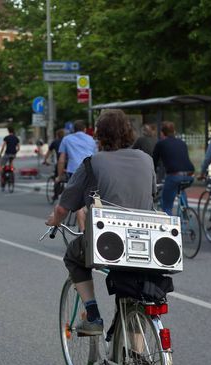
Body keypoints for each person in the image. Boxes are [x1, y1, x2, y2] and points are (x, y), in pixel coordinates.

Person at [45, 109, 156, 336]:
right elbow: (151, 194)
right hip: (146, 240)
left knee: (73, 257)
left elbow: (63, 208)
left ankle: (93, 316)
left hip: (109, 241)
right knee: (134, 296)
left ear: (99, 135)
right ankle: (136, 363)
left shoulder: (92, 163)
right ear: (128, 132)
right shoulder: (146, 160)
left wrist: (53, 221)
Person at [152, 121, 195, 215]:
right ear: (174, 131)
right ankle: (185, 212)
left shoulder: (161, 144)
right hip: (190, 175)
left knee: (166, 204)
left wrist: (152, 173)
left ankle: (169, 223)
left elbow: (153, 162)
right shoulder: (182, 143)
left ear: (162, 133)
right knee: (180, 189)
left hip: (174, 176)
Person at [44, 129, 65, 201]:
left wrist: (45, 160)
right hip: (69, 163)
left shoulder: (55, 142)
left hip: (60, 163)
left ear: (57, 135)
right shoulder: (67, 141)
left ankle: (56, 195)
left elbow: (48, 152)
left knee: (57, 177)